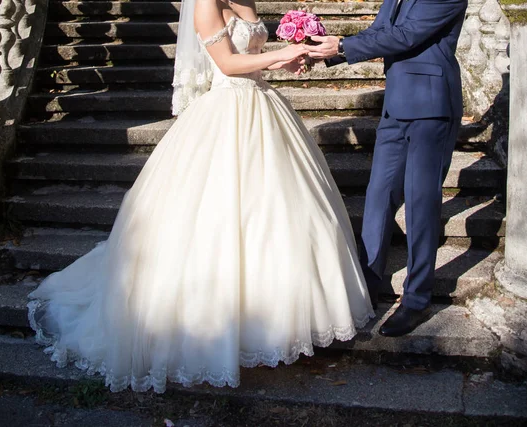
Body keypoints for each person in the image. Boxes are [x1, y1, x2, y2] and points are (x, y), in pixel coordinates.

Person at [27, 0, 374, 393]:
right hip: (225, 113)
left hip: (264, 108)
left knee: (279, 216)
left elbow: (252, 59)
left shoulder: (246, 2)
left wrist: (284, 62)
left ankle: (281, 321)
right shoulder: (205, 5)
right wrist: (285, 52)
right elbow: (226, 64)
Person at [306, 0, 468, 337]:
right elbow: (381, 31)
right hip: (396, 105)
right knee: (378, 193)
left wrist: (344, 46)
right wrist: (329, 51)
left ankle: (416, 298)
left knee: (421, 202)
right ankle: (369, 282)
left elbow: (408, 35)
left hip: (432, 105)